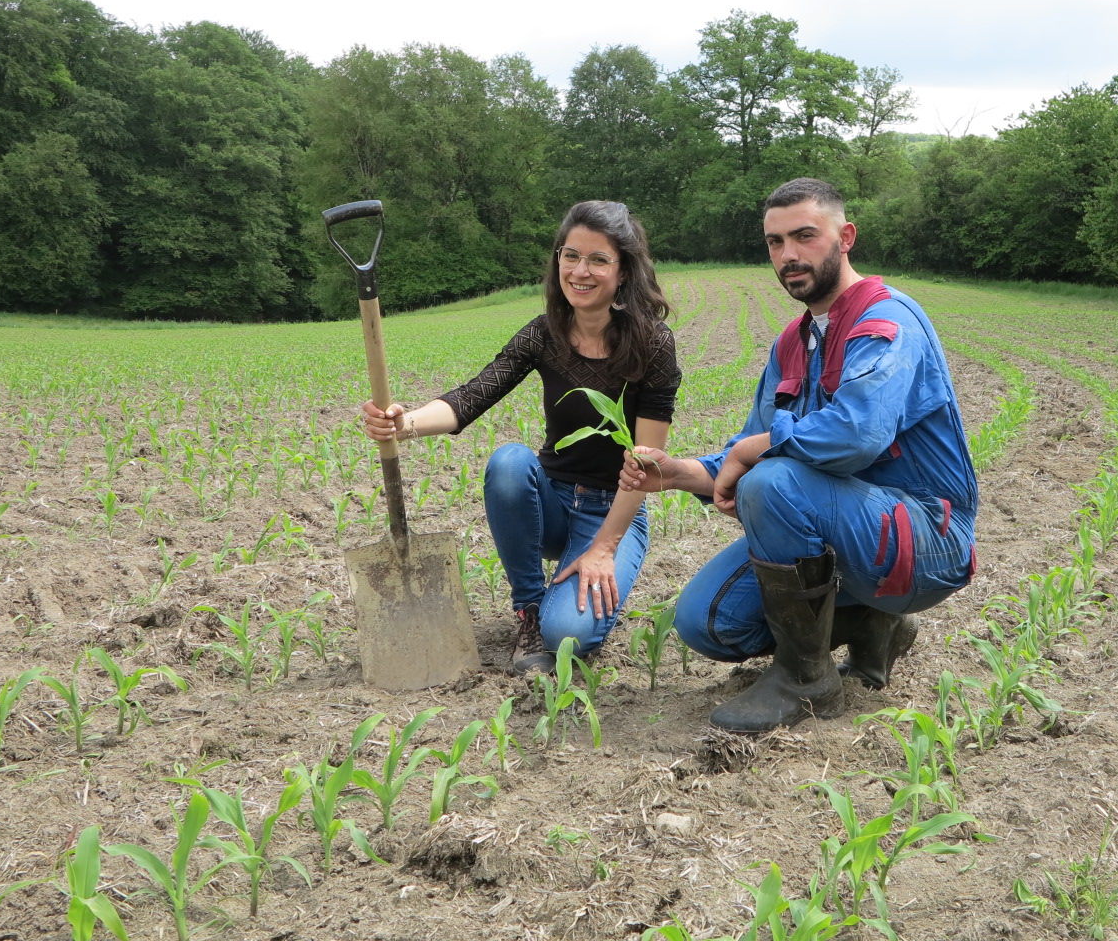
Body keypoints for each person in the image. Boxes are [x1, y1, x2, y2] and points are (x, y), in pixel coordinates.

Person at [619, 178, 977, 732]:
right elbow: (750, 447)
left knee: (773, 481)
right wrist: (675, 473)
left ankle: (807, 679)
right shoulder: (793, 342)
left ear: (845, 236)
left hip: (926, 539)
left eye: (804, 236)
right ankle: (870, 625)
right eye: (774, 242)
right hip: (851, 531)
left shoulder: (888, 322)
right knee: (704, 624)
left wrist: (752, 450)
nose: (788, 256)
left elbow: (857, 433)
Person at [362, 200, 681, 675]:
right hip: (549, 501)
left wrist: (603, 547)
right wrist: (402, 423)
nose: (581, 271)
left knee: (569, 636)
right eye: (570, 256)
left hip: (612, 510)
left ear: (624, 271)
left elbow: (647, 465)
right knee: (510, 462)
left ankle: (566, 596)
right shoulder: (544, 334)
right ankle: (529, 609)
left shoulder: (652, 344)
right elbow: (473, 395)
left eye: (598, 259)